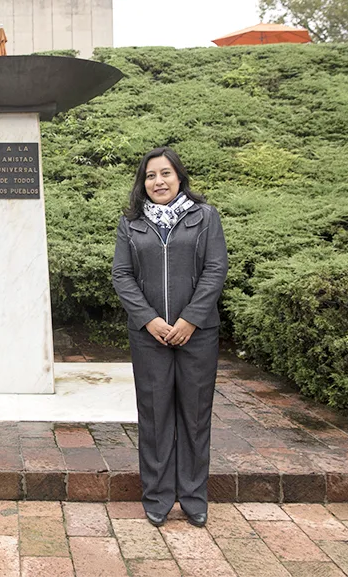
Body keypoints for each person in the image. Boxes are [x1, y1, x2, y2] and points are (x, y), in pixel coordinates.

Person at [111, 147, 228, 528]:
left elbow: (215, 269)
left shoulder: (204, 217)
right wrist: (150, 320)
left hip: (198, 334)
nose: (158, 182)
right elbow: (122, 276)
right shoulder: (131, 224)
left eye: (165, 174)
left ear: (179, 177)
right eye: (150, 176)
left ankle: (193, 496)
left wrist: (189, 320)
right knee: (156, 416)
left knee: (195, 416)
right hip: (149, 336)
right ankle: (158, 496)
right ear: (142, 183)